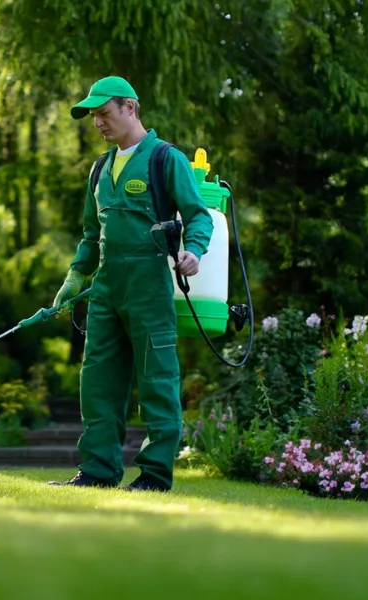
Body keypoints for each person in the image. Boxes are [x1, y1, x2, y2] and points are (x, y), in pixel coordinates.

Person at [49, 75, 214, 492]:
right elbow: (91, 235)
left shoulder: (164, 159)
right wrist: (75, 277)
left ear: (130, 107)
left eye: (104, 113)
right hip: (106, 288)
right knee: (98, 382)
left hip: (149, 285)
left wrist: (193, 250)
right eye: (93, 116)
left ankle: (155, 476)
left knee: (157, 381)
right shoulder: (100, 169)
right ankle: (98, 471)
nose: (98, 122)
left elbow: (198, 215)